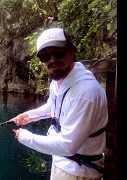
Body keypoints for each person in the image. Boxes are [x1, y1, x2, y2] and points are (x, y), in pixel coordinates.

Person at [8, 27, 108, 180]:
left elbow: (67, 146)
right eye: (45, 56)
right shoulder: (60, 80)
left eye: (59, 52)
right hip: (63, 163)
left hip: (78, 172)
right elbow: (54, 106)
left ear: (72, 52)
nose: (52, 60)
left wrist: (25, 137)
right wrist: (29, 116)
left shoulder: (84, 93)